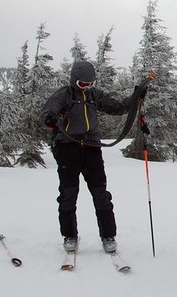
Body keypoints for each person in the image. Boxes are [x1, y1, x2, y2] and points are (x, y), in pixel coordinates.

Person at [40, 61, 144, 254]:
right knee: (68, 195)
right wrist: (50, 119)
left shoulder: (95, 95)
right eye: (83, 84)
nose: (87, 87)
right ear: (74, 81)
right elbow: (47, 113)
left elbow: (119, 108)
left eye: (91, 83)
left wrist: (135, 98)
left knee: (101, 194)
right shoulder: (63, 95)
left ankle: (108, 236)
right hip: (68, 149)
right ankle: (69, 236)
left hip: (92, 149)